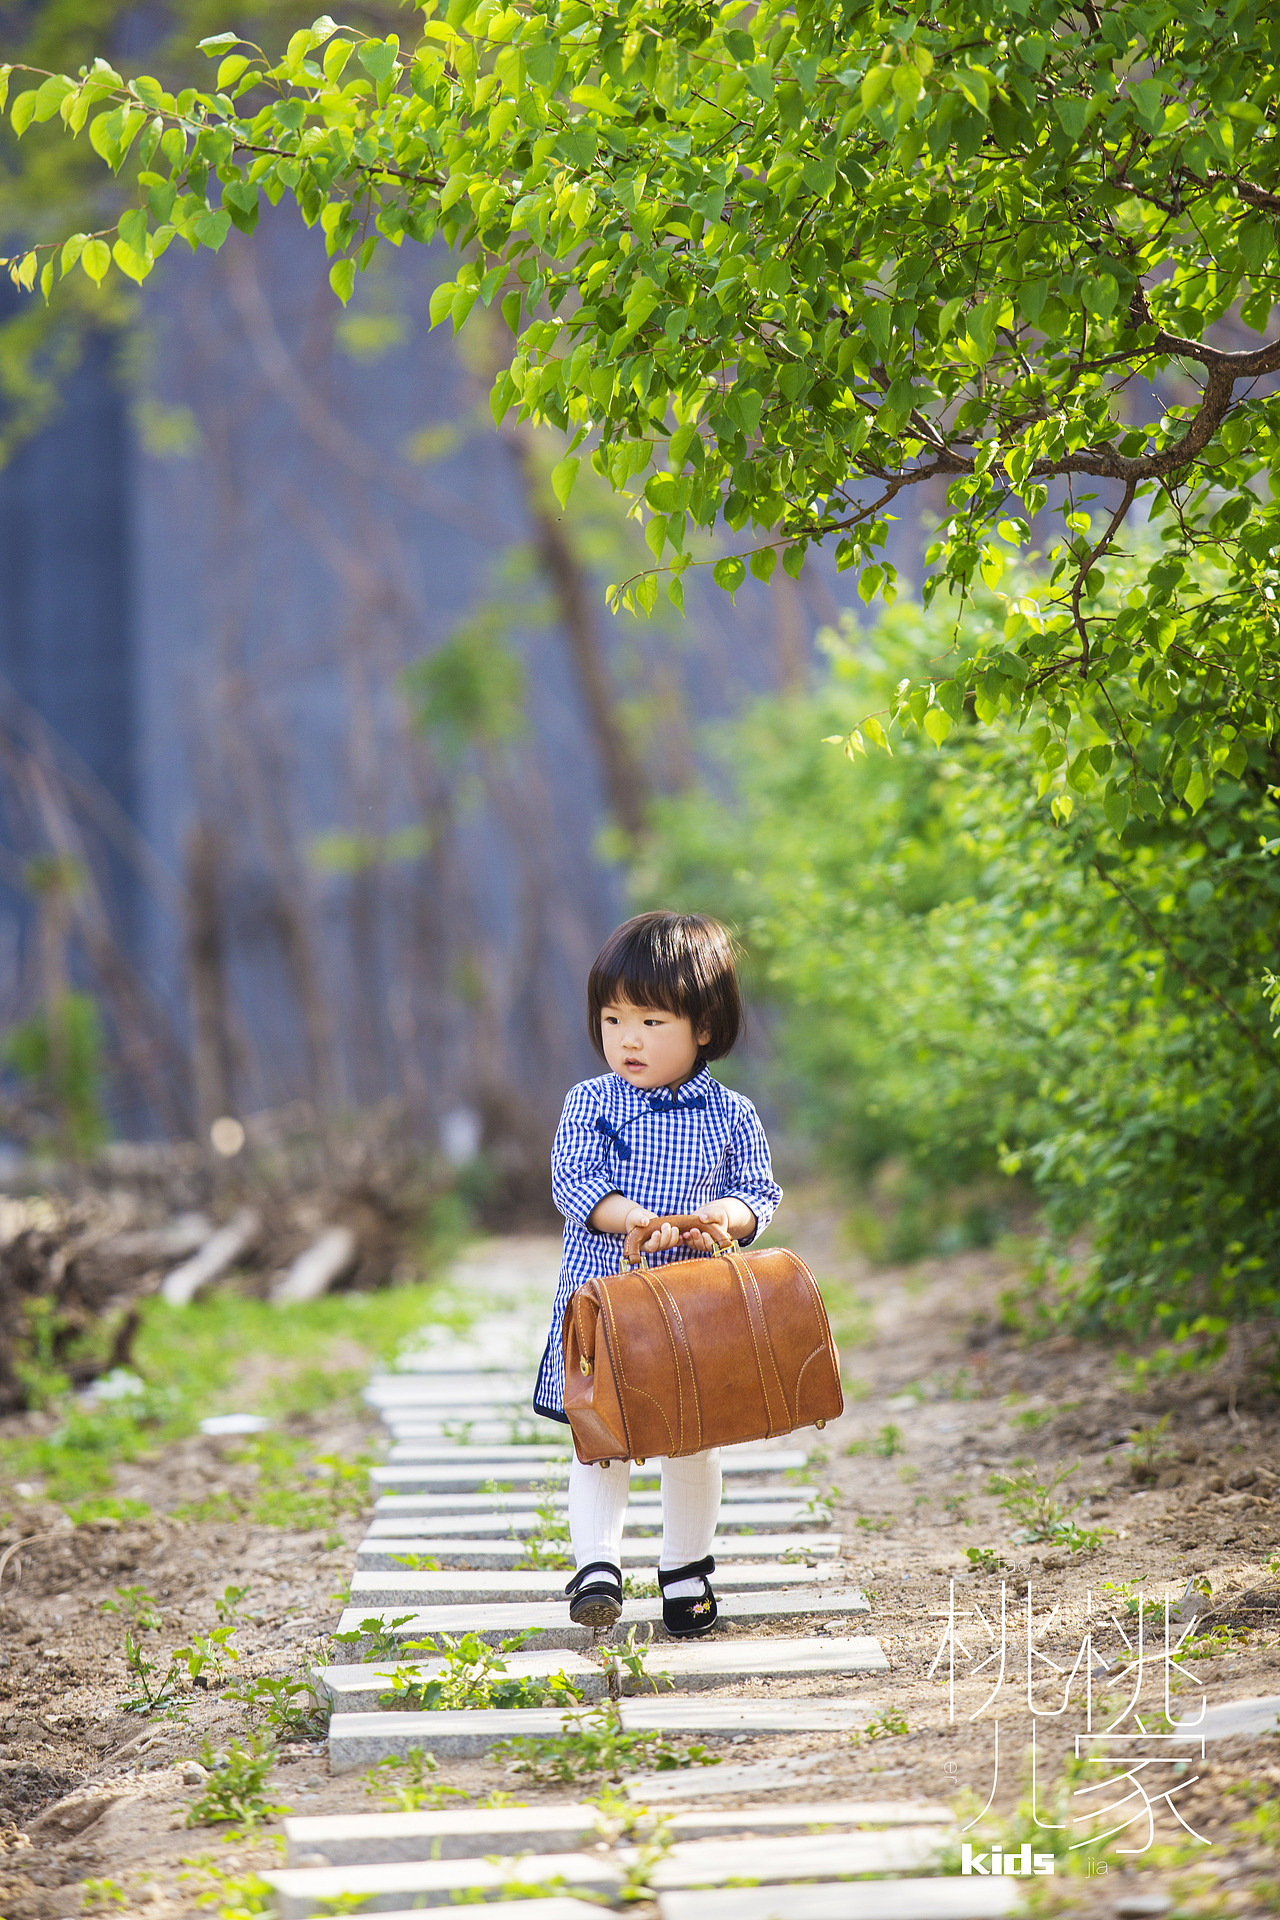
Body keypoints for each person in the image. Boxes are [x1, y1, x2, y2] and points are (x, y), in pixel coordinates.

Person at [532, 910, 782, 1637]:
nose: (628, 1039)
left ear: (704, 1026)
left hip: (694, 1312)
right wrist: (631, 1217)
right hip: (606, 1301)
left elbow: (760, 1191)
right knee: (602, 1433)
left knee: (692, 1439)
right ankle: (597, 1566)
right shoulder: (592, 1102)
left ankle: (685, 1568)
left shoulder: (731, 1114)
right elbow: (574, 1182)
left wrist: (724, 1217)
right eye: (613, 1020)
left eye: (651, 1020)